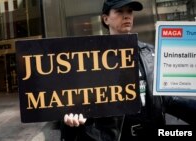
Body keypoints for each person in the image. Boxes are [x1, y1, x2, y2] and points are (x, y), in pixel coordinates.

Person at [60, 0, 196, 141]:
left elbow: (166, 98)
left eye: (129, 11)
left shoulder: (149, 53)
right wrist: (71, 120)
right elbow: (76, 102)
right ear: (106, 19)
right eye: (119, 11)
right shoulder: (90, 60)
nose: (127, 16)